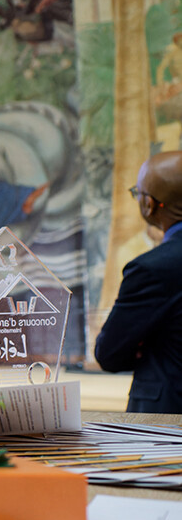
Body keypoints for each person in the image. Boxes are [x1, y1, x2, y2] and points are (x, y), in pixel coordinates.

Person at [94, 151, 182, 413]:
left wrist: (146, 342)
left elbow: (110, 354)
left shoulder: (151, 269)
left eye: (137, 193)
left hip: (168, 427)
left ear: (149, 205)